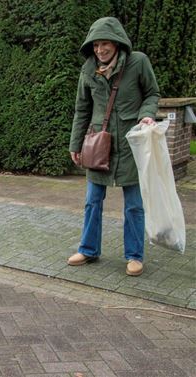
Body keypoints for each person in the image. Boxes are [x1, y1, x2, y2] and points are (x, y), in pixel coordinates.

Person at [68, 17, 160, 276]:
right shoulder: (88, 70)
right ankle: (88, 249)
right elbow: (82, 109)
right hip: (99, 144)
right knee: (92, 201)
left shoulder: (138, 62)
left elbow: (152, 93)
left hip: (132, 143)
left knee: (134, 204)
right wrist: (75, 144)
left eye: (105, 44)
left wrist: (147, 113)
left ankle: (134, 256)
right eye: (96, 45)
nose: (100, 50)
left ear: (117, 43)